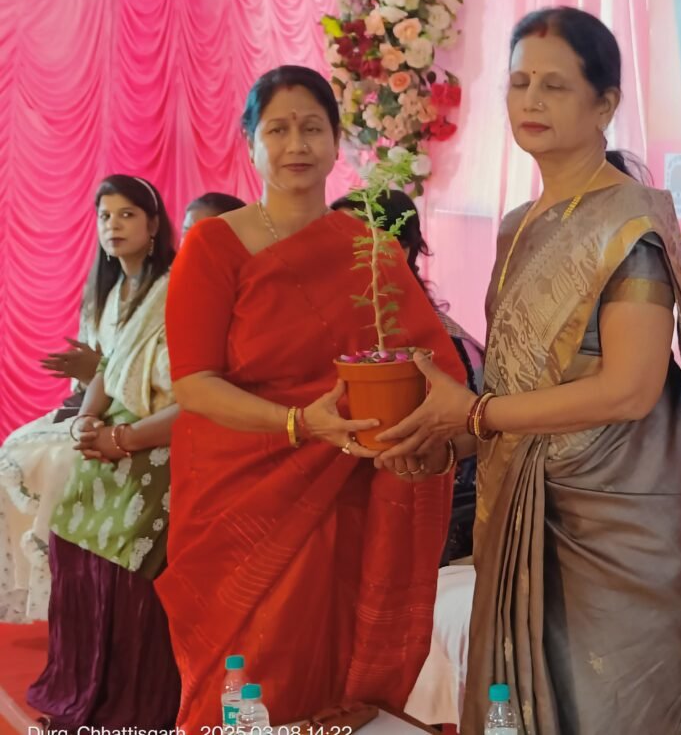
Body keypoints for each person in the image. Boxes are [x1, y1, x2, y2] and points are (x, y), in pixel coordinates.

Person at [373, 7, 681, 733]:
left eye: (555, 85)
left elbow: (631, 389)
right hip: (526, 507)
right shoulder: (520, 225)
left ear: (605, 104)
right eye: (519, 83)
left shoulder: (628, 224)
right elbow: (525, 390)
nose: (532, 100)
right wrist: (449, 439)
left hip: (620, 528)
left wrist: (472, 414)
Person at [156, 65, 467, 731]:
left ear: (335, 142)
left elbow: (435, 372)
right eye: (277, 130)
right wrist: (300, 423)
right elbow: (194, 384)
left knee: (329, 674)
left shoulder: (372, 253)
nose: (296, 145)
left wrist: (421, 437)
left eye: (311, 128)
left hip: (348, 492)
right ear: (249, 145)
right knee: (243, 679)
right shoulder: (212, 246)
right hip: (241, 493)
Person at [26, 174, 181, 727]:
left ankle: (132, 707)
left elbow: (182, 388)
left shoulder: (175, 287)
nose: (113, 226)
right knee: (67, 532)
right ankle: (82, 689)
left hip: (164, 432)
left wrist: (120, 437)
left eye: (127, 215)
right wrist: (87, 422)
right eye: (104, 216)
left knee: (124, 549)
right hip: (117, 426)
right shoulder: (114, 293)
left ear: (154, 224)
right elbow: (105, 371)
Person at [331, 190, 484, 562]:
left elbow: (471, 445)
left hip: (431, 515)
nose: (332, 253)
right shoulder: (334, 332)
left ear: (397, 250)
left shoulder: (447, 345)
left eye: (351, 240)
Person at [1, 260, 107, 624]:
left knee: (63, 460)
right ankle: (24, 591)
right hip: (86, 407)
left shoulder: (158, 298)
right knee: (12, 454)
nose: (113, 230)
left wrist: (103, 372)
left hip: (129, 412)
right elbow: (86, 381)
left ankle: (55, 570)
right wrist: (88, 380)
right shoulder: (98, 297)